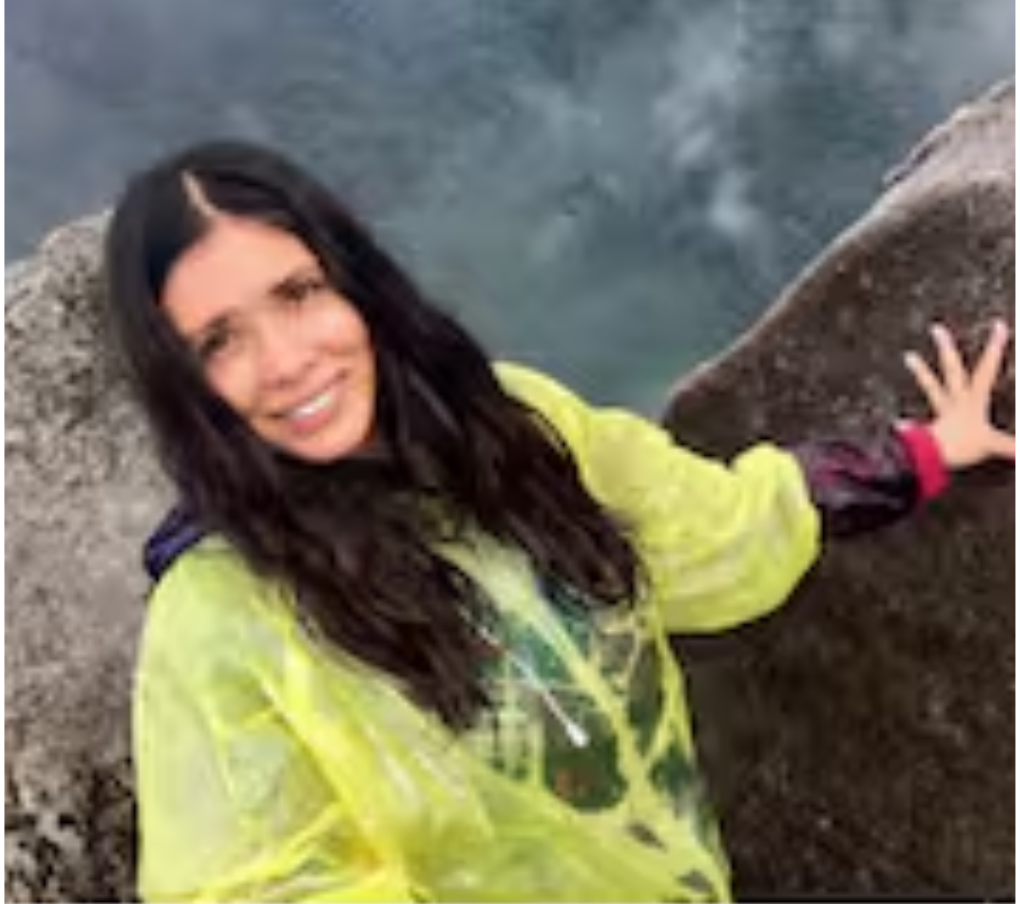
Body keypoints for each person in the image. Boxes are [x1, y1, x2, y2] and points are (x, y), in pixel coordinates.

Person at [104, 139, 1015, 903]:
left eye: (299, 293)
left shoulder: (514, 430)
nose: (285, 360)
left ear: (356, 283)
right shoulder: (220, 621)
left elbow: (721, 529)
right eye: (218, 342)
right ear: (183, 384)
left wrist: (923, 454)